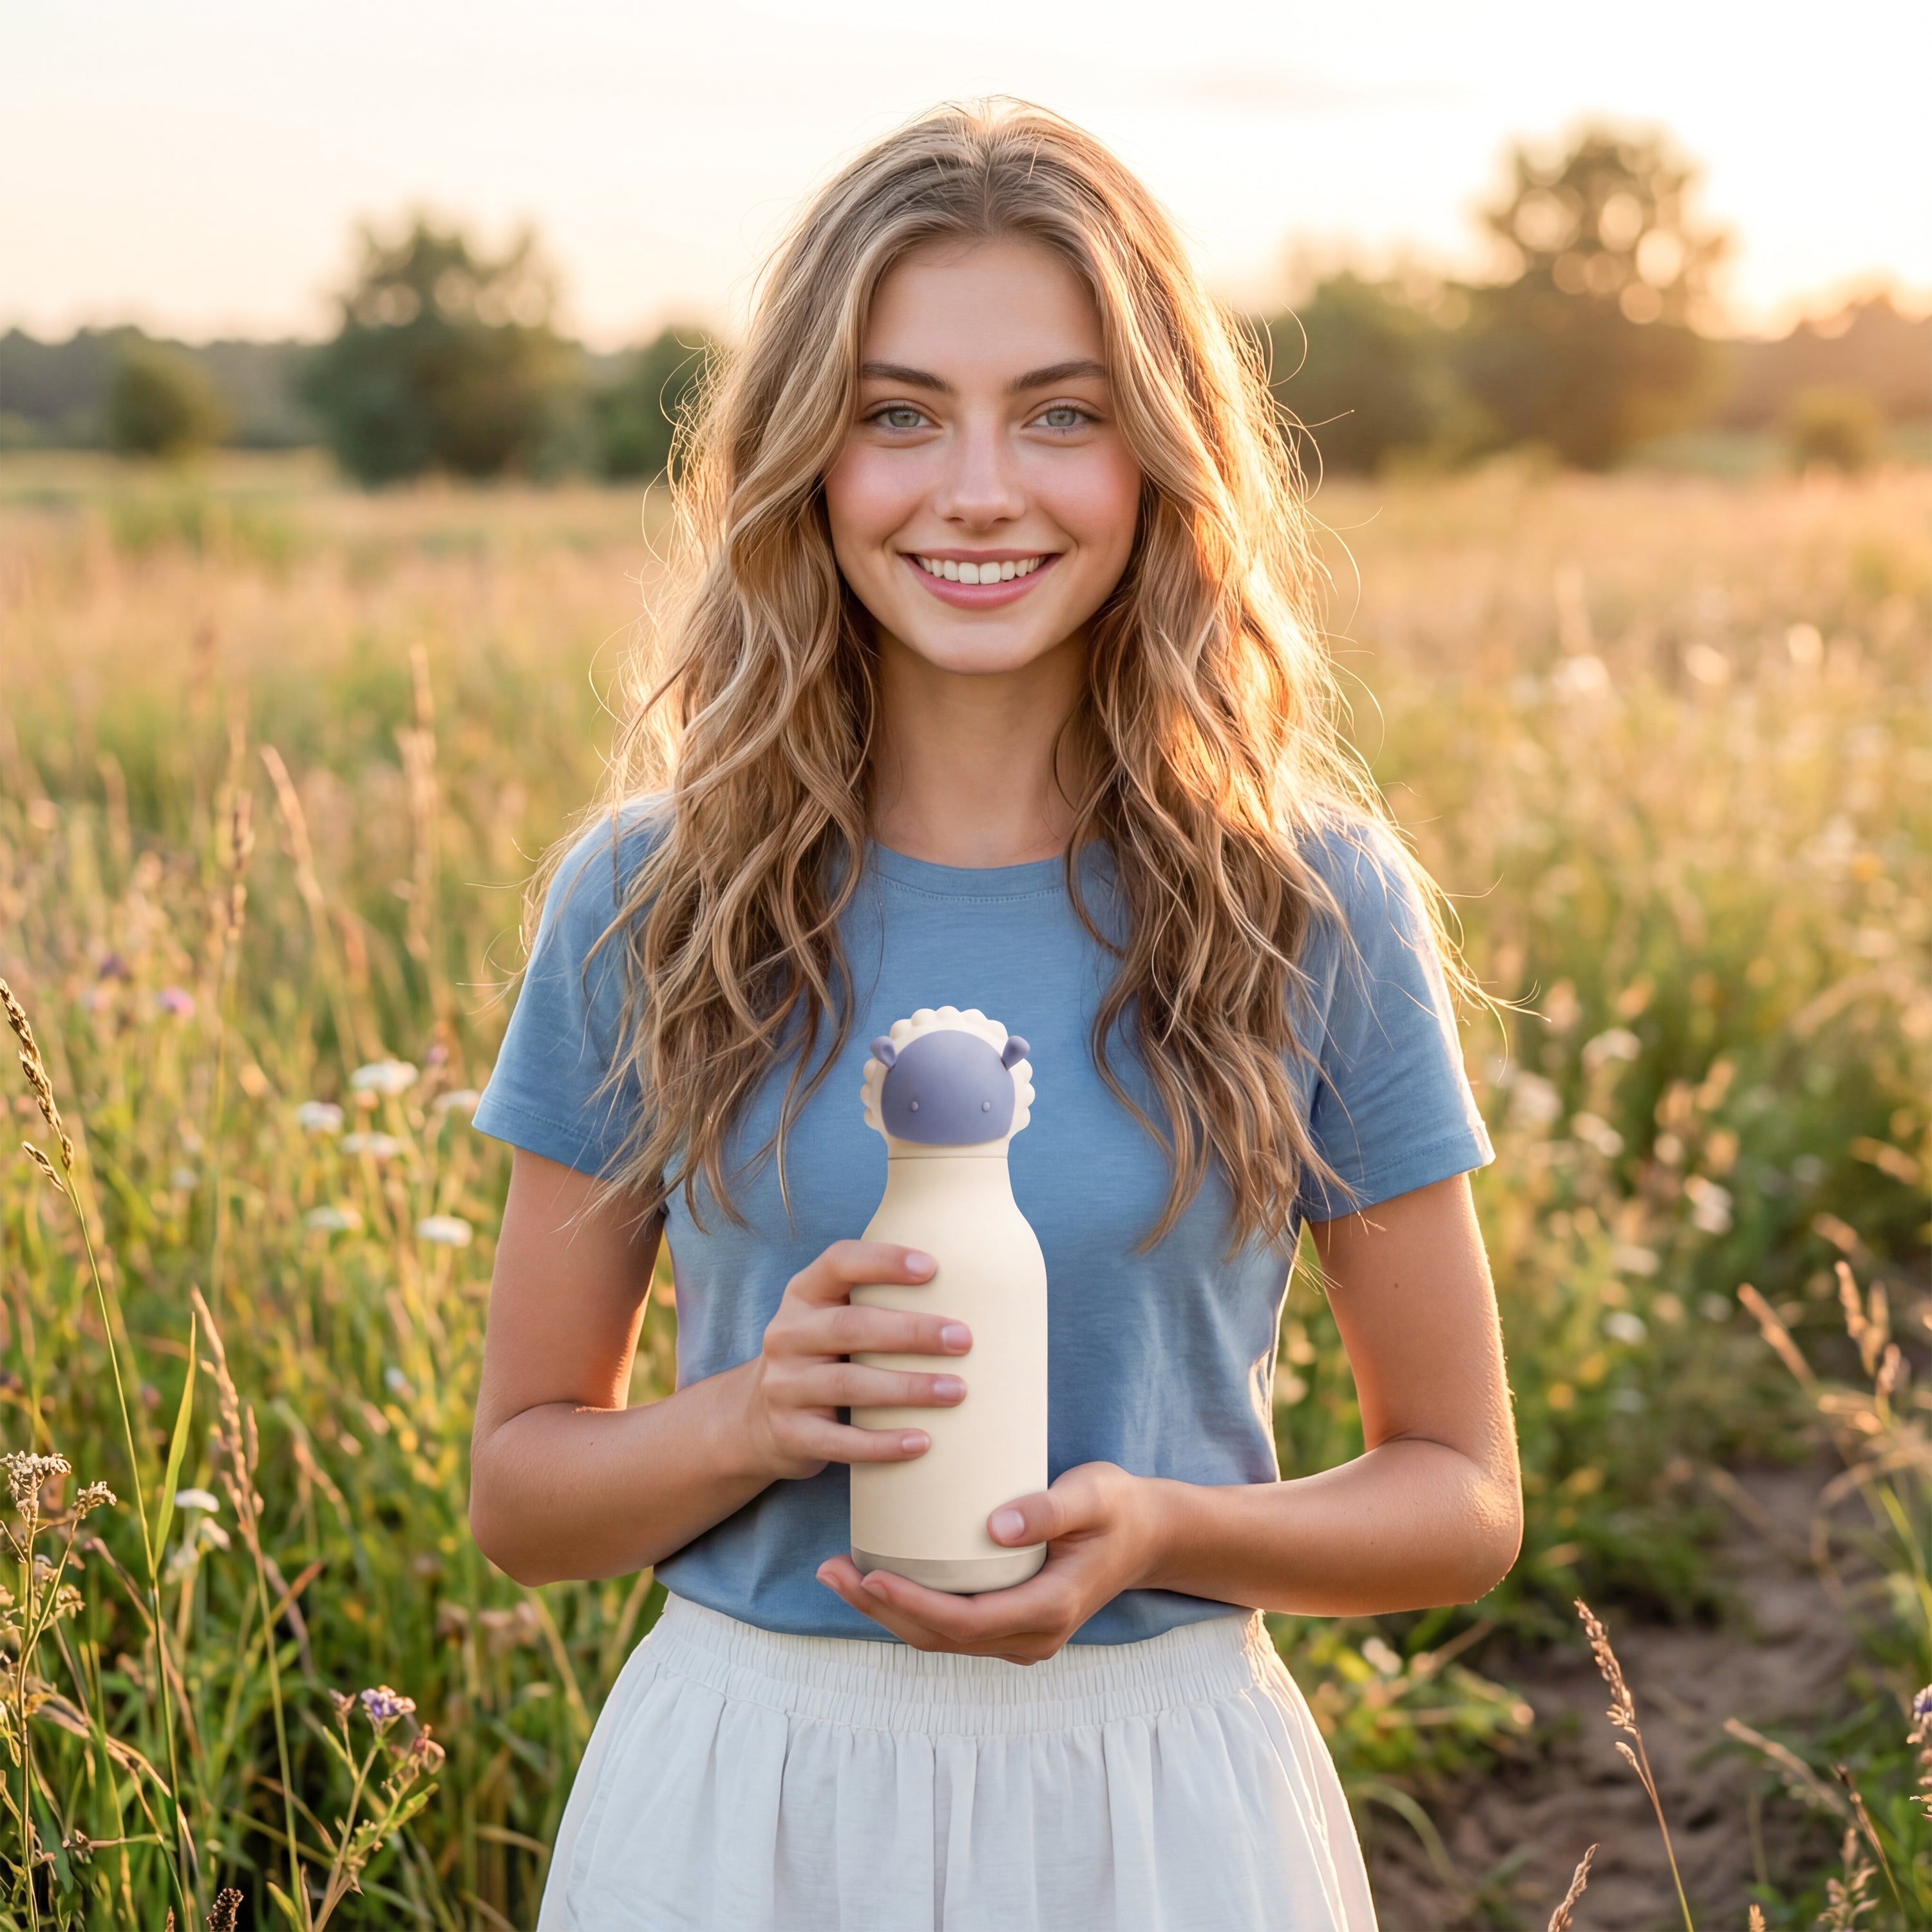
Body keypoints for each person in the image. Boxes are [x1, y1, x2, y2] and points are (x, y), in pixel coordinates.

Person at [468, 97, 1521, 1932]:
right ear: (807, 460)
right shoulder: (648, 906)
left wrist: (1171, 1528)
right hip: (746, 1799)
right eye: (897, 416)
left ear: (1157, 459)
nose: (977, 488)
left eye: (1061, 411)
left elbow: (1462, 1497)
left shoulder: (1307, 903)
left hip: (1163, 1801)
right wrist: (753, 1418)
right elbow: (523, 1493)